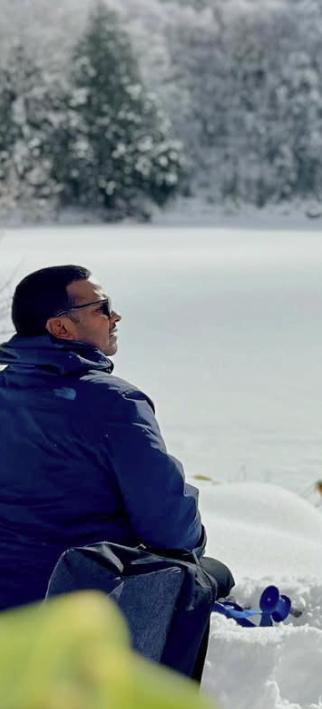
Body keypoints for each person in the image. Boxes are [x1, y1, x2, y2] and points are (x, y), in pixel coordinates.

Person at [0, 264, 233, 677]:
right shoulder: (113, 404)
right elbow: (172, 531)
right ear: (61, 327)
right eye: (102, 308)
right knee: (210, 576)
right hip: (75, 615)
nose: (115, 316)